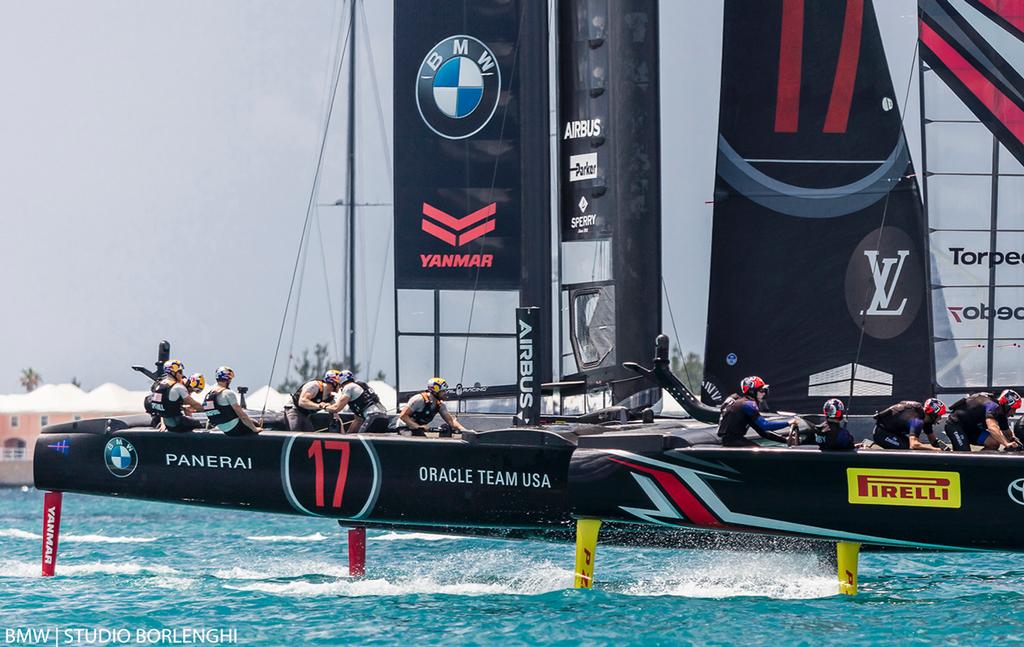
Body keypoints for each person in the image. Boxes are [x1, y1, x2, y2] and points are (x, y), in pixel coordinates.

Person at [717, 376, 797, 447]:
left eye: (765, 390)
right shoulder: (748, 404)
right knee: (761, 454)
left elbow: (763, 432)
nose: (763, 393)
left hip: (730, 441)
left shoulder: (742, 404)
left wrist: (785, 440)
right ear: (752, 391)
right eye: (761, 390)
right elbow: (765, 425)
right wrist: (788, 423)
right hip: (734, 441)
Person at [944, 390, 1022, 452]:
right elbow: (992, 428)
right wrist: (1006, 444)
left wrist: (1017, 444)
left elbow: (1008, 434)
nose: (1013, 413)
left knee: (993, 443)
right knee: (964, 455)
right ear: (1006, 406)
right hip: (955, 425)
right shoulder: (992, 406)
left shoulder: (1001, 412)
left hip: (972, 429)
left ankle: (977, 464)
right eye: (1013, 409)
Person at [393, 377, 466, 436]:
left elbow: (451, 421)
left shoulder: (440, 405)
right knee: (416, 439)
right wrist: (417, 426)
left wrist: (464, 430)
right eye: (443, 391)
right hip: (404, 427)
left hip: (418, 429)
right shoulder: (419, 399)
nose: (445, 393)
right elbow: (403, 416)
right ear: (435, 391)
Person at [203, 366, 261, 436]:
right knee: (255, 424)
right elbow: (242, 416)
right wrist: (255, 429)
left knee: (250, 422)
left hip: (224, 430)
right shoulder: (227, 393)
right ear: (227, 379)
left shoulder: (209, 395)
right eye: (230, 379)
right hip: (235, 429)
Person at [149, 359, 204, 432]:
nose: (182, 375)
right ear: (172, 372)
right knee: (203, 422)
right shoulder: (178, 387)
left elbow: (164, 407)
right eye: (180, 372)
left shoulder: (161, 384)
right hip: (177, 424)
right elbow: (195, 404)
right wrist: (209, 410)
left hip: (168, 423)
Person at [871, 398, 947, 451]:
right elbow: (914, 445)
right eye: (939, 415)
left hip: (892, 432)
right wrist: (935, 449)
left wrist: (947, 450)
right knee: (911, 450)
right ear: (933, 415)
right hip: (882, 433)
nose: (940, 418)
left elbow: (933, 441)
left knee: (920, 448)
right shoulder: (917, 420)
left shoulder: (926, 419)